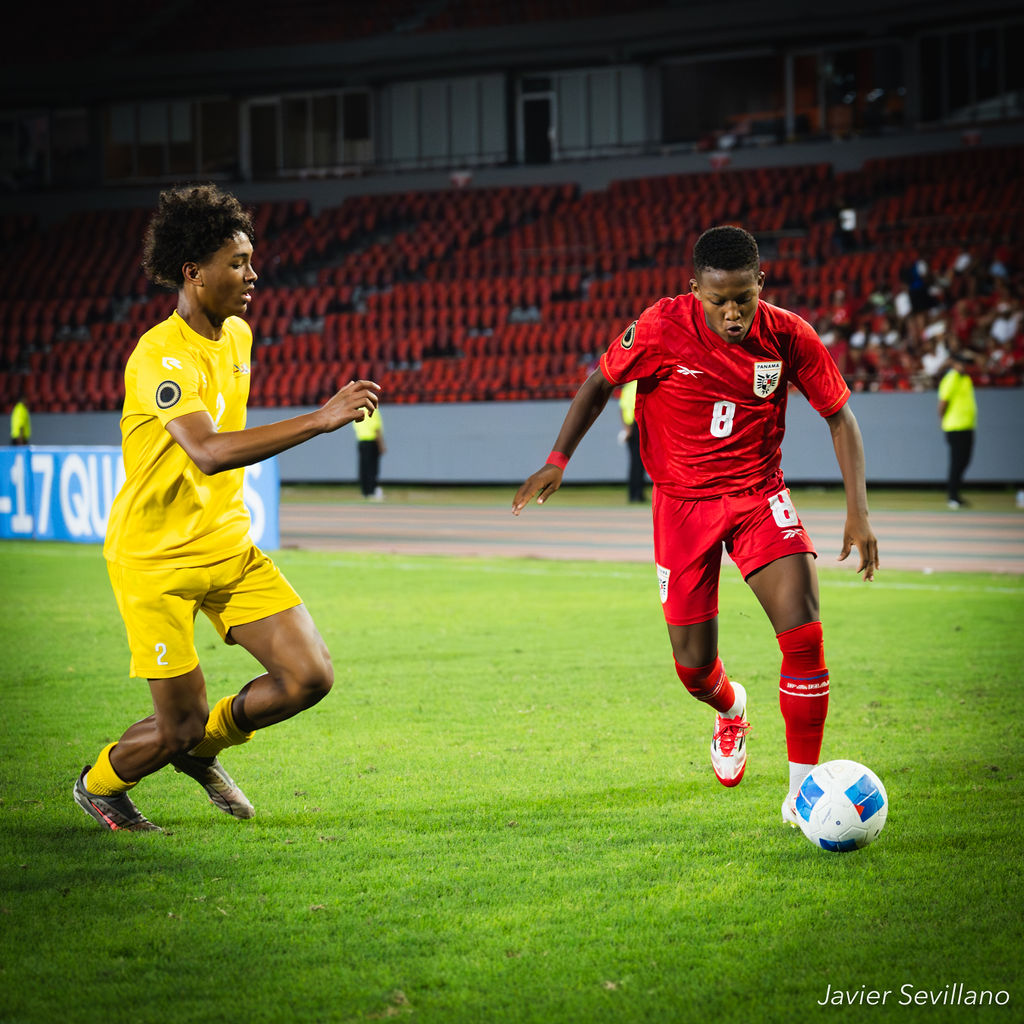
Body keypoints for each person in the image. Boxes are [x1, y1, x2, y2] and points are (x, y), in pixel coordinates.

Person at [513, 225, 879, 826]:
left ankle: (802, 796)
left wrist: (857, 511)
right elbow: (600, 383)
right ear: (694, 290)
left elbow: (841, 416)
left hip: (758, 495)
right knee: (692, 667)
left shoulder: (789, 335)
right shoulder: (660, 326)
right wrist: (558, 460)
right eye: (719, 300)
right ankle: (731, 709)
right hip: (681, 506)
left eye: (744, 298)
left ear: (761, 283)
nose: (733, 313)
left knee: (804, 635)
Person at [73, 184, 381, 832]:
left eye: (251, 261)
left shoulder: (238, 335)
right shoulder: (159, 356)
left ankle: (199, 750)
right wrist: (320, 418)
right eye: (237, 263)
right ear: (193, 272)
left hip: (227, 545)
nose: (252, 275)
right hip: (155, 560)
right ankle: (100, 784)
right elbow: (209, 451)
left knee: (308, 676)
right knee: (177, 724)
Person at [937, 350, 977, 510]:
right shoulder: (951, 378)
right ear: (954, 363)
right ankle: (952, 496)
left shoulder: (966, 379)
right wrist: (943, 422)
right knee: (957, 462)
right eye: (960, 362)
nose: (963, 366)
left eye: (965, 363)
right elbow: (942, 403)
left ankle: (956, 495)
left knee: (964, 461)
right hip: (954, 426)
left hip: (967, 425)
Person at [618, 379, 647, 503]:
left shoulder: (627, 387)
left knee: (634, 462)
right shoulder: (640, 385)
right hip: (637, 425)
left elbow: (621, 408)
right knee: (639, 463)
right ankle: (637, 494)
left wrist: (626, 428)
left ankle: (634, 494)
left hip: (630, 426)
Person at [353, 402, 385, 500]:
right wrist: (381, 444)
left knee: (364, 468)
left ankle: (365, 492)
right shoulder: (372, 410)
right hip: (372, 441)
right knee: (372, 468)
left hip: (361, 441)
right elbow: (376, 428)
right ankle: (372, 491)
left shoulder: (358, 410)